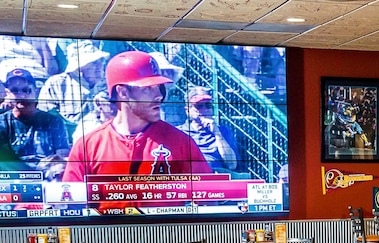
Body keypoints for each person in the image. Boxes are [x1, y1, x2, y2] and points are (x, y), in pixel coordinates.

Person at [63, 51, 210, 182]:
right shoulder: (88, 145)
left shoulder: (181, 142)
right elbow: (71, 204)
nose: (158, 95)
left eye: (159, 87)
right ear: (123, 92)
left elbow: (208, 198)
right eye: (147, 89)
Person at [0, 68, 70, 175]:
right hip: (13, 178)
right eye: (15, 91)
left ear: (36, 92)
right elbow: (3, 161)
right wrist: (33, 171)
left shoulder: (53, 121)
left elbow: (62, 154)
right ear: (7, 94)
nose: (22, 96)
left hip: (49, 175)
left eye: (26, 90)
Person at [38, 41, 109, 135]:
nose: (100, 65)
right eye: (95, 62)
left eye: (101, 60)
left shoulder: (108, 84)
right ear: (79, 67)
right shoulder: (56, 84)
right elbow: (44, 117)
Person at [179, 86, 237, 171]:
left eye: (208, 105)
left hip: (215, 177)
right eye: (199, 106)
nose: (205, 109)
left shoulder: (223, 131)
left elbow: (232, 165)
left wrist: (217, 133)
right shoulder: (179, 132)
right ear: (188, 110)